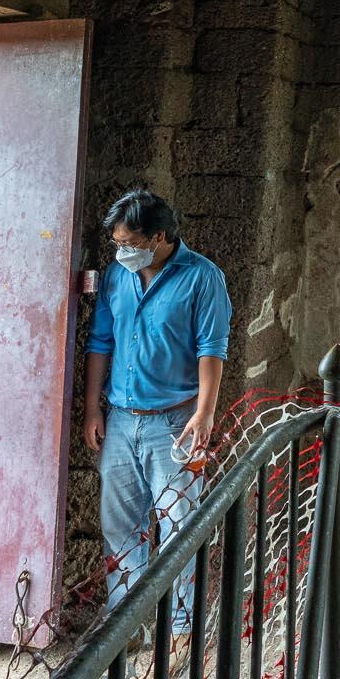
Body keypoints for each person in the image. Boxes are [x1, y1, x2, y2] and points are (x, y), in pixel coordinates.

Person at [82, 189, 232, 647]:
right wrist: (92, 407)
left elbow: (212, 349)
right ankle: (127, 624)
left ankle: (182, 628)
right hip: (122, 420)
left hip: (176, 421)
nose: (121, 252)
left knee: (179, 526)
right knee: (120, 524)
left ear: (159, 236)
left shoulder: (203, 278)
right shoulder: (115, 276)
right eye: (116, 244)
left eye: (128, 243)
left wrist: (205, 413)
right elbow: (100, 342)